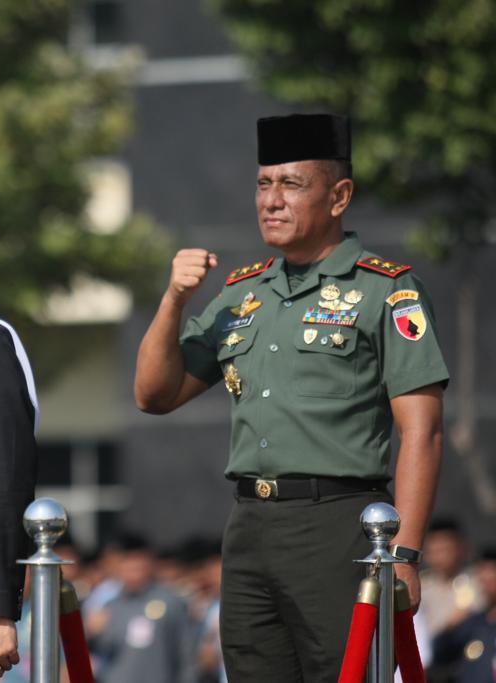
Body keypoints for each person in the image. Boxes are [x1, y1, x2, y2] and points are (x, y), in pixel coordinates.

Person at [133, 113, 448, 682]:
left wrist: (404, 553)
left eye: (291, 184)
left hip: (339, 524)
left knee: (344, 673)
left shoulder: (386, 288)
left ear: (338, 196)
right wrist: (174, 300)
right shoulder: (242, 292)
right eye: (263, 184)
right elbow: (154, 396)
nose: (271, 201)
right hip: (251, 524)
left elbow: (421, 430)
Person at [88, 535, 194, 683]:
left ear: (150, 564)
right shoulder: (110, 606)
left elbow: (186, 653)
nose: (133, 573)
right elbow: (99, 652)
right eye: (128, 566)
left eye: (138, 566)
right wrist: (91, 633)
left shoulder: (171, 602)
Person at [431, 548, 496, 682]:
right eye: (482, 571)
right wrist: (451, 625)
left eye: (492, 571)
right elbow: (440, 654)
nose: (486, 578)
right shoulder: (473, 622)